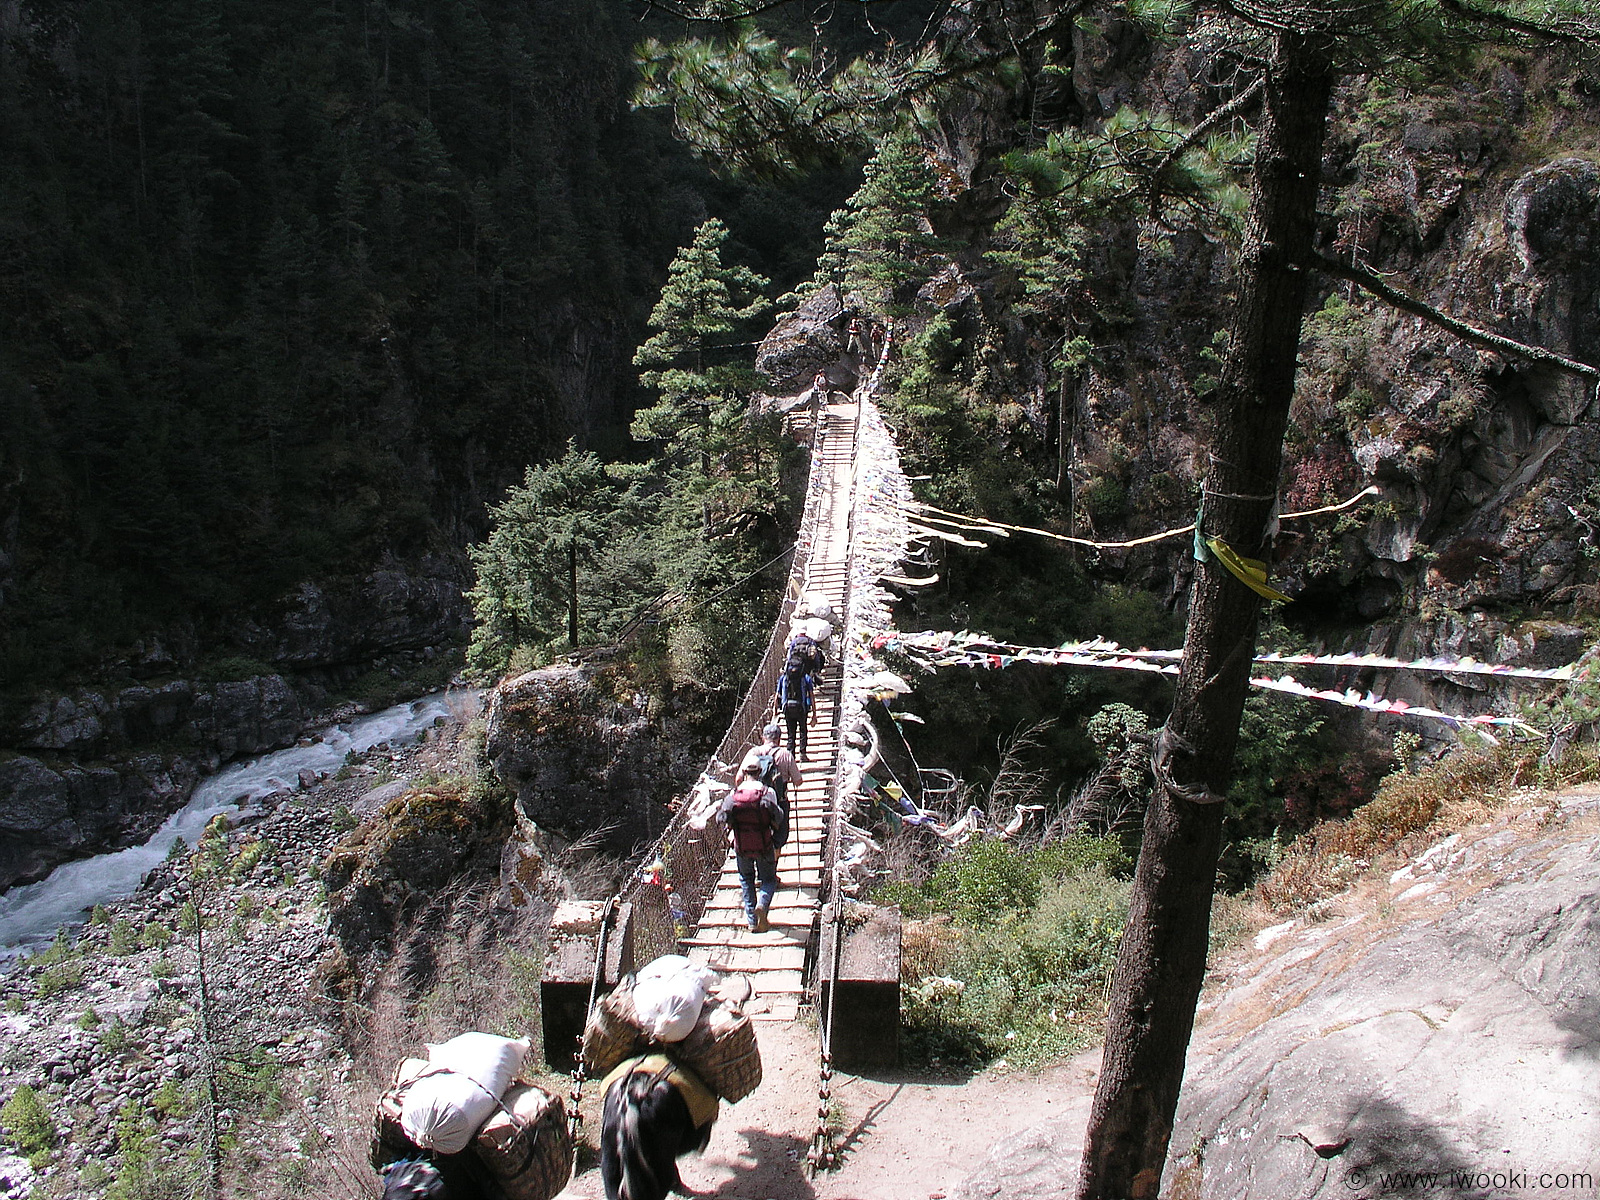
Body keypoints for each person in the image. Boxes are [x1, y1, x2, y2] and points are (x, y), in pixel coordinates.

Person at [718, 762, 783, 932]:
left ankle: (752, 921)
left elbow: (722, 817)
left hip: (741, 845)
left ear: (745, 774)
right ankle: (762, 904)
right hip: (764, 843)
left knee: (746, 879)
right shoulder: (768, 793)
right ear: (760, 773)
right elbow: (778, 816)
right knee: (768, 879)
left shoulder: (733, 795)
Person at [738, 722, 801, 848]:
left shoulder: (753, 753)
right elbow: (798, 781)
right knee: (778, 839)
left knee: (756, 833)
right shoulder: (785, 754)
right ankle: (774, 856)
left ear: (763, 738)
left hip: (754, 802)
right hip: (779, 802)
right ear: (779, 739)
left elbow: (738, 778)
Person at [775, 653, 813, 760]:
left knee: (790, 733)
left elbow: (777, 695)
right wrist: (814, 714)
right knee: (803, 730)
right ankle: (802, 753)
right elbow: (811, 696)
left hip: (787, 707)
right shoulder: (806, 678)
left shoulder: (783, 678)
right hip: (801, 707)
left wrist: (775, 710)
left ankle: (791, 755)